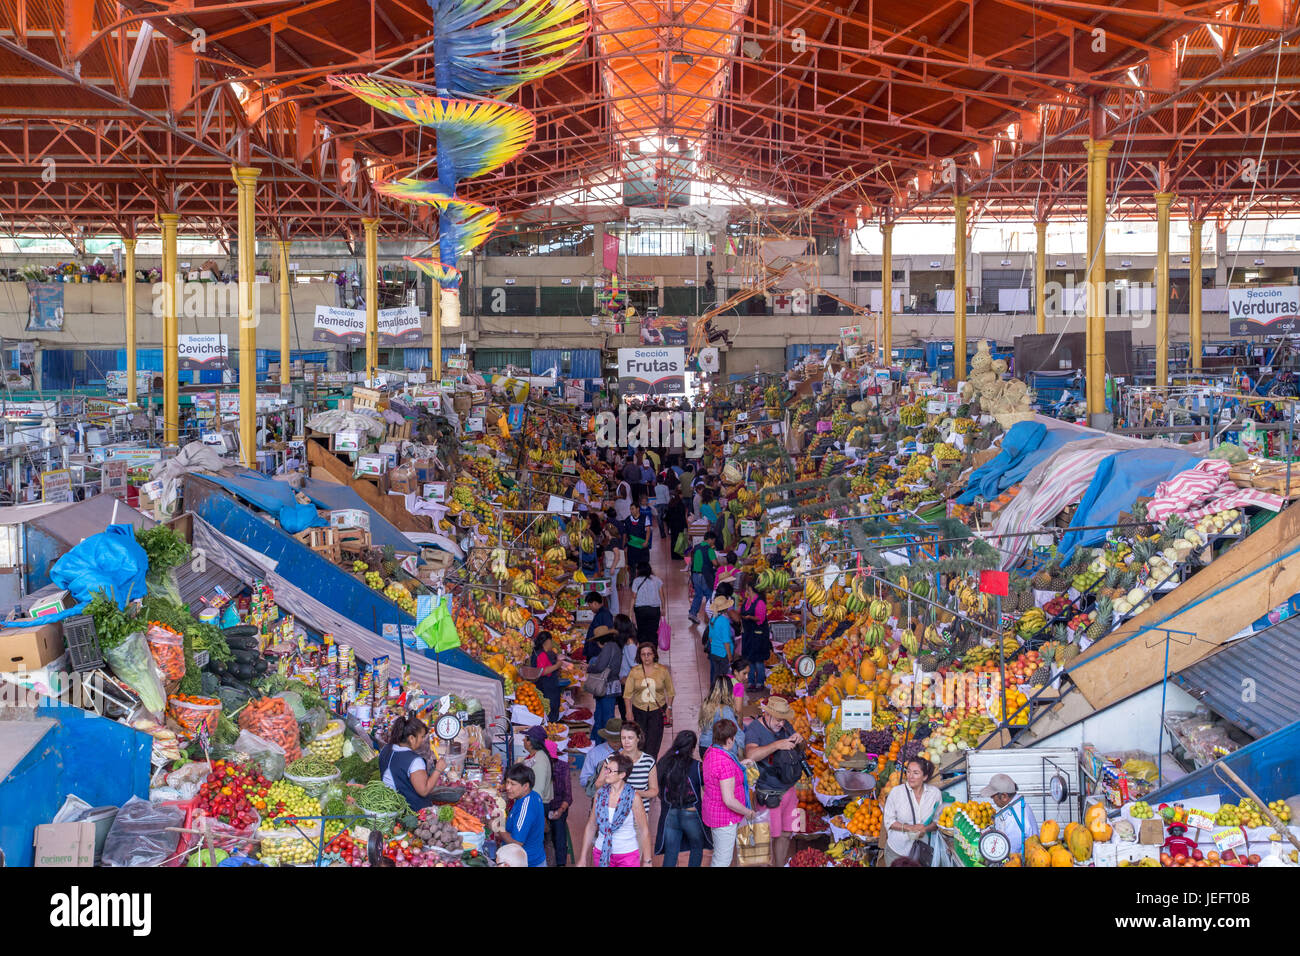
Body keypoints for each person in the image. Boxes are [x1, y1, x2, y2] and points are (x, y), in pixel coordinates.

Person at [744, 696, 804, 867]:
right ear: (766, 714)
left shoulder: (785, 726)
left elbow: (797, 748)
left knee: (786, 834)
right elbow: (751, 755)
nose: (780, 724)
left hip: (790, 793)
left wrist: (800, 741)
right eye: (778, 719)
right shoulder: (755, 729)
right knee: (767, 837)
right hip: (768, 794)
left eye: (783, 720)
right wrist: (777, 745)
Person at [577, 752, 653, 867]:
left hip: (627, 855)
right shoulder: (600, 794)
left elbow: (644, 831)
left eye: (610, 771)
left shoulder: (633, 797)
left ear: (622, 775)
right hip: (601, 853)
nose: (605, 773)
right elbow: (591, 825)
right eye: (606, 769)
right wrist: (583, 858)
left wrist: (647, 861)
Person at [702, 719, 755, 868]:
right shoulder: (724, 763)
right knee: (722, 860)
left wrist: (740, 764)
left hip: (715, 812)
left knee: (723, 856)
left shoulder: (712, 750)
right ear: (729, 739)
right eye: (734, 737)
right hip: (725, 819)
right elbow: (729, 800)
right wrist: (748, 812)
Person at [654, 730, 709, 867]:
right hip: (691, 813)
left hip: (670, 814)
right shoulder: (697, 766)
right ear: (693, 747)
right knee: (697, 847)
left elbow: (658, 788)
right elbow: (705, 788)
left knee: (671, 852)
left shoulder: (664, 762)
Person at [378, 712, 447, 812]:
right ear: (411, 738)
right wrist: (438, 769)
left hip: (391, 806)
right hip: (412, 812)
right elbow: (424, 790)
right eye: (422, 737)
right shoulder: (414, 761)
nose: (423, 740)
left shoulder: (386, 749)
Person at [881, 756, 942, 866]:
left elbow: (938, 821)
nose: (910, 776)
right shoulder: (896, 792)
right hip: (897, 851)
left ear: (925, 777)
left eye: (916, 773)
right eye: (908, 772)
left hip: (922, 851)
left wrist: (925, 828)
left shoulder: (934, 794)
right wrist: (909, 828)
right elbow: (889, 821)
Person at [623, 642, 674, 758]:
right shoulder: (635, 672)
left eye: (649, 654)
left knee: (653, 742)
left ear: (654, 655)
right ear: (639, 656)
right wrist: (629, 711)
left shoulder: (662, 671)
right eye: (643, 654)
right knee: (639, 741)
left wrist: (669, 708)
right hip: (639, 711)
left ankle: (650, 766)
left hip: (657, 711)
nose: (646, 657)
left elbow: (671, 692)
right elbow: (627, 694)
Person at [497, 763, 546, 867]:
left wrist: (498, 827)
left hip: (527, 862)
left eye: (513, 784)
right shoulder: (532, 795)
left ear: (526, 786)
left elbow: (516, 843)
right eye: (507, 782)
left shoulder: (526, 807)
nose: (508, 787)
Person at [980, 773, 1040, 856]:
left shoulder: (1014, 819)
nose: (991, 798)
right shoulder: (1015, 804)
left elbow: (1010, 852)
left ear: (1004, 796)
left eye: (993, 796)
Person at [697, 674, 744, 759]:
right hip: (718, 751)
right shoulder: (725, 710)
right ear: (728, 691)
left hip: (704, 747)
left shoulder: (706, 704)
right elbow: (735, 733)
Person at [587, 629, 624, 738]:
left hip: (607, 687)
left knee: (605, 717)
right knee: (601, 714)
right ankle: (599, 740)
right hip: (610, 686)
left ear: (600, 641)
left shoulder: (608, 647)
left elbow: (600, 667)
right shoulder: (615, 646)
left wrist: (589, 668)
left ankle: (603, 742)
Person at [618, 720, 659, 815]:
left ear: (638, 738)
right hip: (617, 814)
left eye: (630, 738)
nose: (626, 742)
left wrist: (636, 793)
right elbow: (600, 784)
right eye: (623, 738)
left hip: (640, 814)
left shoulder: (648, 761)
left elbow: (654, 790)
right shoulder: (612, 759)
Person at [739, 581, 771, 691]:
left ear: (750, 588)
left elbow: (760, 619)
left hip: (758, 636)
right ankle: (751, 682)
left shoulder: (760, 602)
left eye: (746, 587)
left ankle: (760, 683)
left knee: (758, 660)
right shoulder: (748, 600)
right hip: (748, 635)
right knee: (749, 659)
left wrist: (749, 618)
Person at [579, 717, 622, 798]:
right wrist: (599, 779)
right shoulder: (594, 754)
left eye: (619, 740)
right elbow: (583, 780)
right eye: (613, 740)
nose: (616, 743)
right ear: (607, 738)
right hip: (600, 799)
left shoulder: (629, 753)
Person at [530, 631, 564, 722]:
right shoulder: (541, 654)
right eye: (551, 641)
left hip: (547, 686)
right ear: (547, 641)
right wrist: (557, 665)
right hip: (546, 687)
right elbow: (542, 671)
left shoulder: (541, 652)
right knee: (550, 712)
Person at [687, 531, 720, 624]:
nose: (713, 542)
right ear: (709, 539)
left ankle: (692, 613)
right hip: (705, 575)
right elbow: (715, 563)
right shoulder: (709, 549)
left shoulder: (696, 547)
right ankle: (712, 616)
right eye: (713, 540)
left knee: (698, 594)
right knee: (710, 595)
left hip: (695, 575)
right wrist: (719, 565)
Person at [630, 562, 666, 645]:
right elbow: (662, 595)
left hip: (640, 610)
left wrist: (630, 613)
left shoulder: (636, 581)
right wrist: (663, 608)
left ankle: (643, 652)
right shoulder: (657, 580)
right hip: (654, 610)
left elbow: (633, 597)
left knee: (642, 632)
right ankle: (653, 654)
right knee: (653, 632)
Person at [706, 595, 736, 684]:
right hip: (723, 654)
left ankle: (715, 693)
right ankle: (722, 695)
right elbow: (726, 641)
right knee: (724, 678)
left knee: (717, 675)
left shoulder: (713, 619)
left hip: (714, 652)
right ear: (725, 608)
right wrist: (730, 655)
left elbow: (710, 638)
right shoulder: (724, 621)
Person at [522, 725, 554, 807]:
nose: (523, 740)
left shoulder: (540, 761)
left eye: (525, 738)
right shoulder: (536, 755)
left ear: (529, 742)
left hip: (537, 804)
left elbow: (537, 791)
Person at [624, 492, 653, 571]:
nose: (631, 511)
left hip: (642, 546)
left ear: (637, 509)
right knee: (632, 566)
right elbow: (625, 534)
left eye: (632, 509)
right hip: (632, 547)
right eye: (630, 509)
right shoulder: (627, 520)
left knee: (643, 565)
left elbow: (648, 531)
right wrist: (624, 546)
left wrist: (646, 541)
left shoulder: (645, 518)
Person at [582, 591, 614, 662]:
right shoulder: (601, 613)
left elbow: (607, 635)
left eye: (590, 605)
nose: (590, 608)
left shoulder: (604, 615)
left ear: (595, 603)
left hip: (598, 654)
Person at [664, 489, 688, 561]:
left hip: (672, 525)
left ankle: (673, 555)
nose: (682, 496)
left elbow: (668, 516)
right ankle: (678, 555)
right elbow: (682, 516)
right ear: (679, 495)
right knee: (679, 540)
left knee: (673, 540)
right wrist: (685, 526)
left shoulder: (671, 503)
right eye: (681, 494)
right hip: (679, 525)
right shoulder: (681, 504)